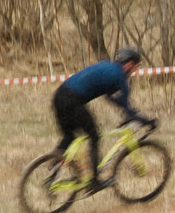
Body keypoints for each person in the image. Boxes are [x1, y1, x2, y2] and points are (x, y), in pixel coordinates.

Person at [53, 47, 152, 190]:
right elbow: (125, 106)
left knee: (69, 136)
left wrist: (130, 113)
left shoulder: (107, 66)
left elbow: (111, 97)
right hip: (72, 101)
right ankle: (94, 182)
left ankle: (52, 171)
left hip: (59, 95)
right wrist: (146, 120)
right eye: (136, 68)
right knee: (94, 136)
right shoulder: (120, 78)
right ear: (130, 64)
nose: (134, 72)